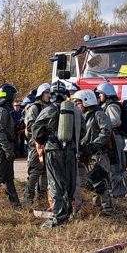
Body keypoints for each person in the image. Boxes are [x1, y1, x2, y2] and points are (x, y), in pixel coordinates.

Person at [30, 82, 80, 228]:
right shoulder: (75, 111)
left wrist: (44, 140)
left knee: (55, 184)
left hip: (53, 151)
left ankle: (58, 217)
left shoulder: (48, 110)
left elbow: (36, 130)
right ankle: (68, 212)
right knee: (69, 183)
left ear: (52, 95)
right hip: (70, 151)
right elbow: (82, 131)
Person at [72, 89, 115, 215]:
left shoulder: (99, 114)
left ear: (86, 102)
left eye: (78, 103)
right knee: (93, 183)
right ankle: (98, 207)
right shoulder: (85, 116)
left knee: (99, 182)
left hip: (98, 154)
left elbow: (106, 131)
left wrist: (94, 145)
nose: (77, 105)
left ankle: (108, 208)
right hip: (88, 154)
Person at [95, 82, 127, 197]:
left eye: (100, 94)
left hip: (116, 138)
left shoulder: (112, 106)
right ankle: (120, 189)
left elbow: (115, 121)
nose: (99, 96)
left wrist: (103, 126)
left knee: (117, 165)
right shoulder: (107, 105)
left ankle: (120, 191)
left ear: (106, 94)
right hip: (112, 137)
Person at [22, 83, 51, 205]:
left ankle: (42, 198)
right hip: (36, 144)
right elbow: (31, 127)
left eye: (49, 93)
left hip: (47, 143)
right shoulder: (34, 108)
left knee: (45, 172)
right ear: (40, 94)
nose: (49, 95)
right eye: (46, 93)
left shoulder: (50, 107)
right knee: (35, 171)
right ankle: (28, 198)